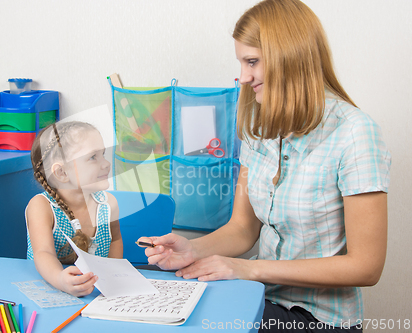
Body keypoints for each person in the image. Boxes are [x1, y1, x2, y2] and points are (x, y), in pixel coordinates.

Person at [139, 0, 391, 331]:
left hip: (318, 318)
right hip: (259, 295)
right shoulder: (260, 130)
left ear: (291, 57)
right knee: (153, 291)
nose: (242, 77)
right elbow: (243, 229)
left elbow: (366, 267)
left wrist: (250, 269)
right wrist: (192, 249)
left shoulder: (356, 133)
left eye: (252, 62)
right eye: (241, 62)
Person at [26, 120, 122, 297]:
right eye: (93, 157)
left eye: (103, 154)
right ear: (62, 173)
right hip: (50, 292)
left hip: (95, 297)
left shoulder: (109, 204)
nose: (106, 164)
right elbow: (43, 252)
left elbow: (115, 240)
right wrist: (60, 279)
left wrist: (112, 276)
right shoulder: (41, 207)